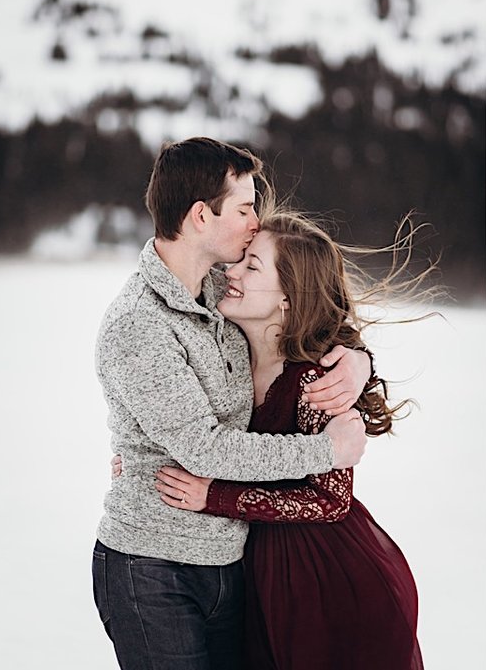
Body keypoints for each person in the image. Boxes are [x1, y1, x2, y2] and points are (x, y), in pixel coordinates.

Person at [92, 137, 373, 670]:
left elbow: (308, 307)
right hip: (154, 567)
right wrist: (324, 452)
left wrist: (357, 359)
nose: (254, 222)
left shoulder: (222, 288)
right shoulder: (139, 324)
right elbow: (205, 449)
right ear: (201, 215)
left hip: (234, 563)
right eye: (244, 208)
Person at [148, 208, 424, 669]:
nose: (229, 272)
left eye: (250, 266)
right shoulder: (225, 356)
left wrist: (216, 497)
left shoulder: (317, 383)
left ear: (288, 299)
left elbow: (331, 501)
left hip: (324, 578)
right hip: (258, 574)